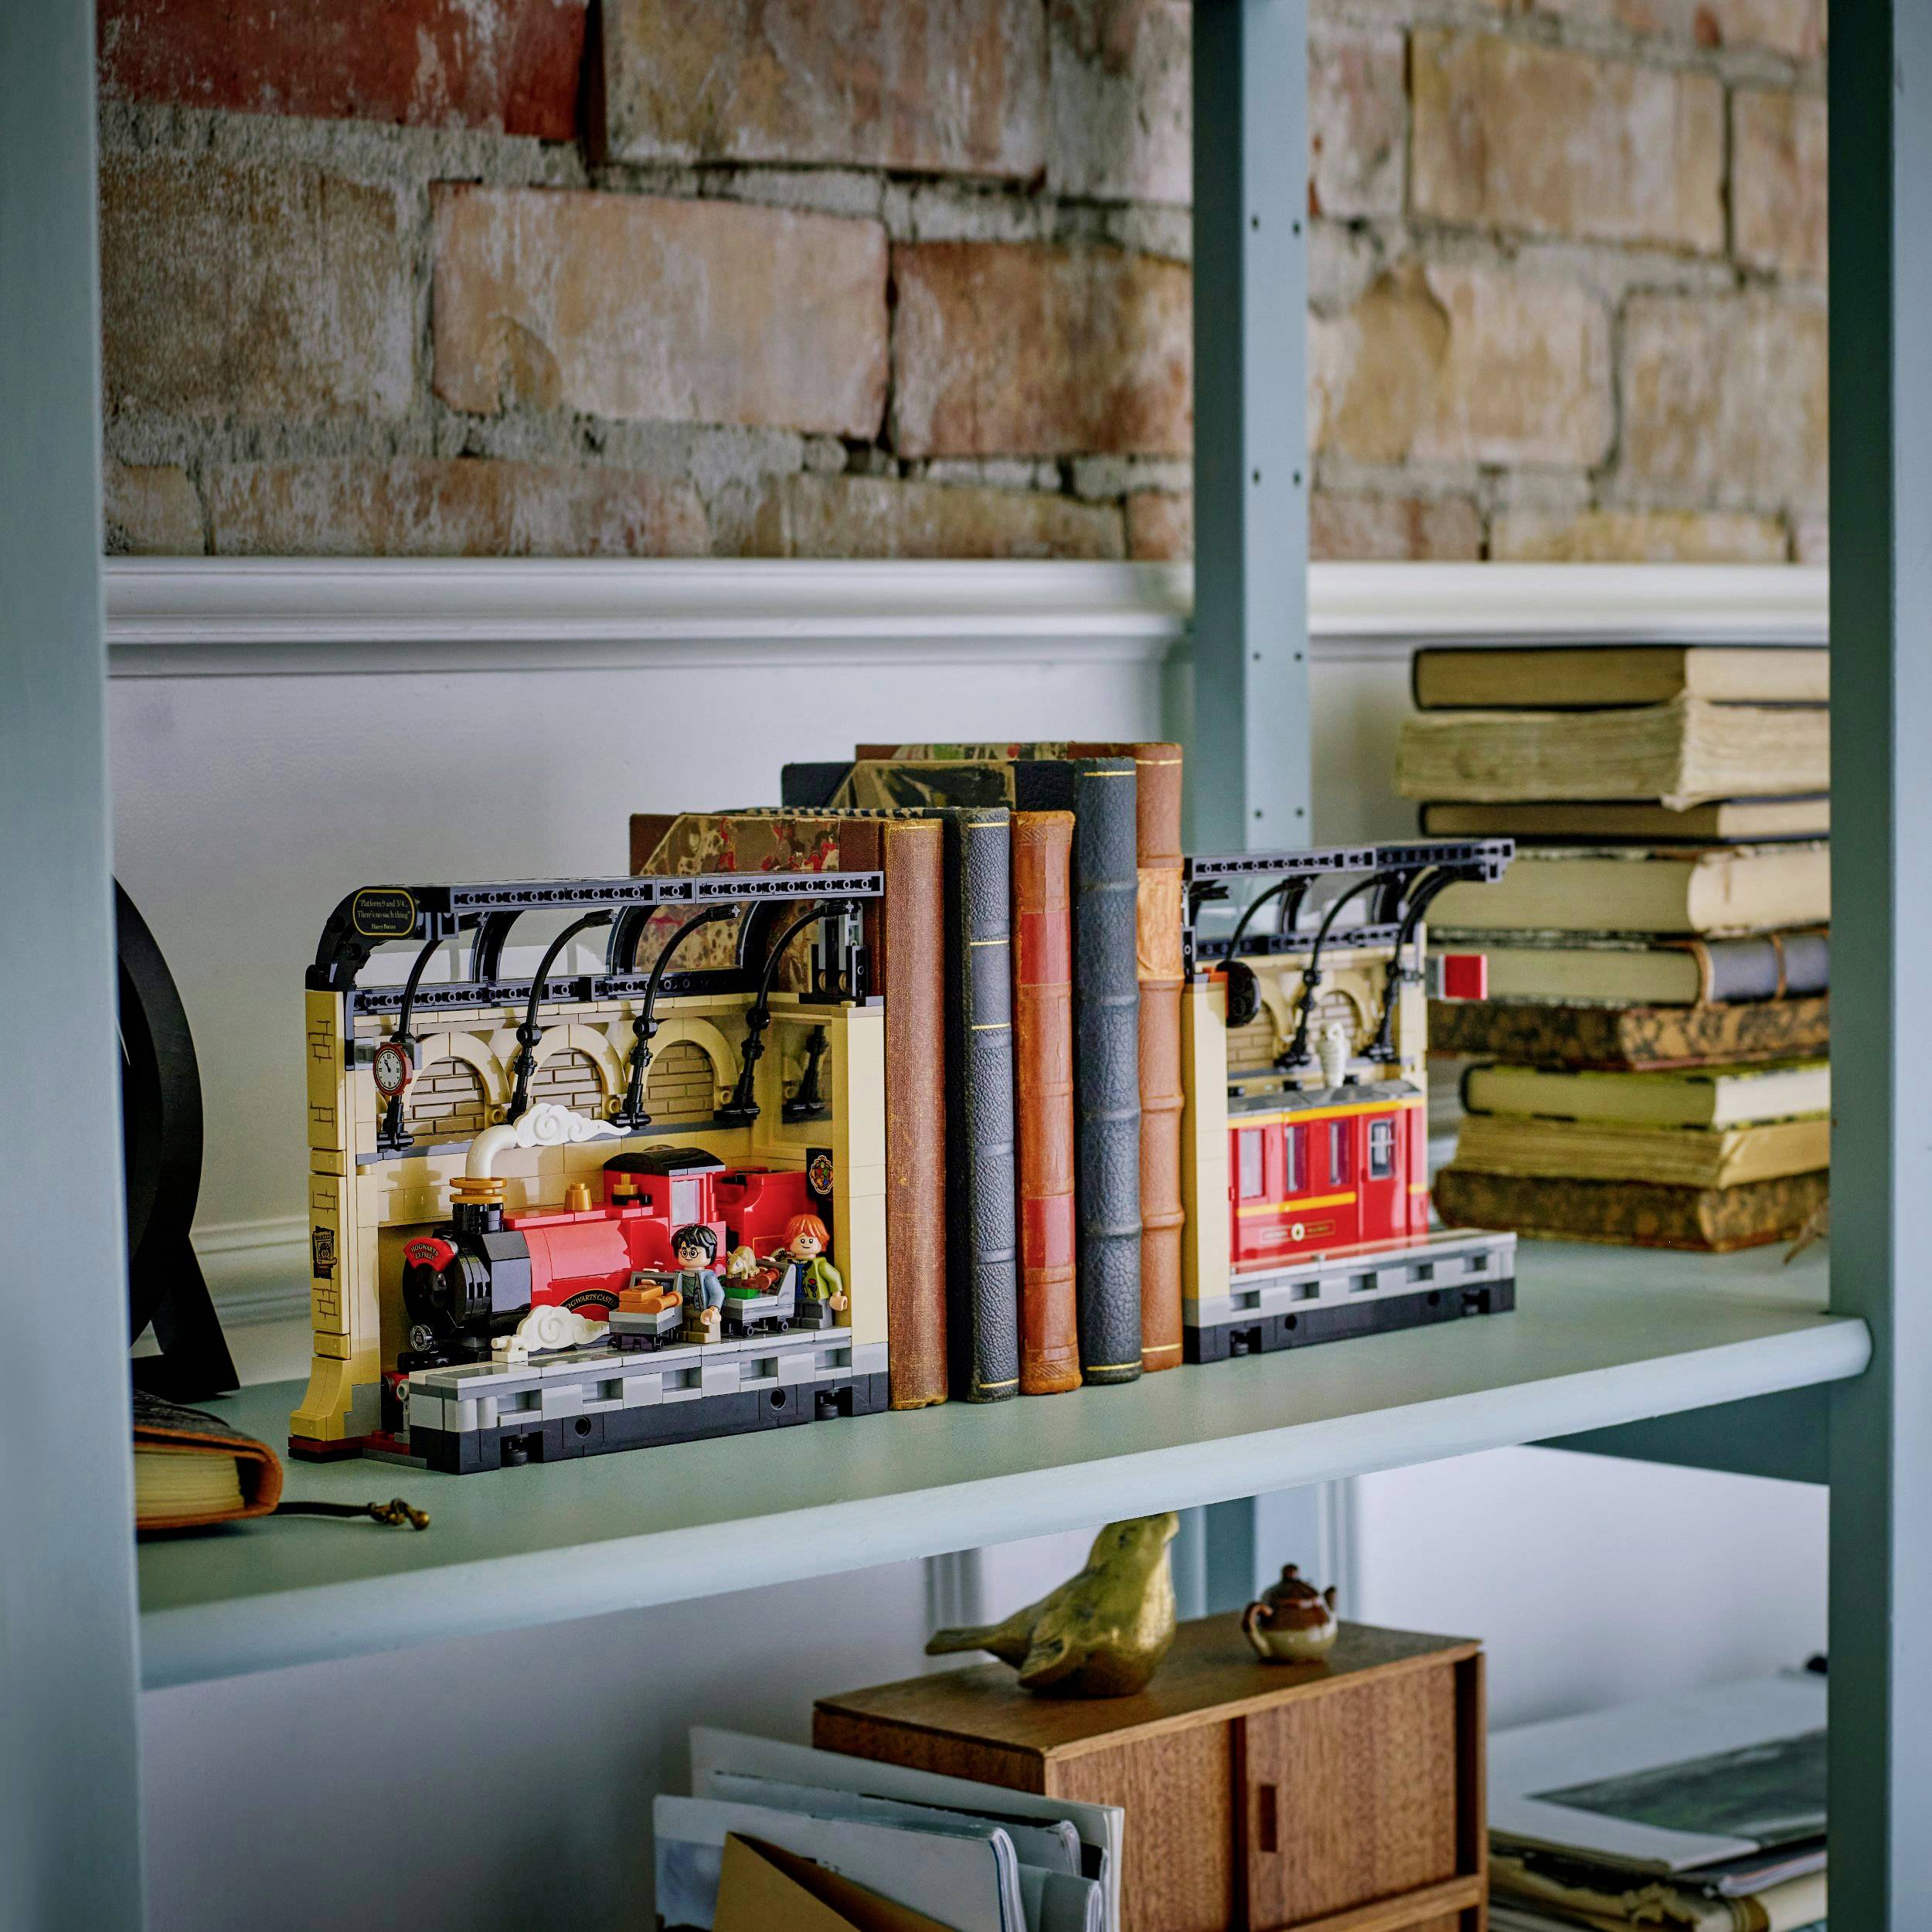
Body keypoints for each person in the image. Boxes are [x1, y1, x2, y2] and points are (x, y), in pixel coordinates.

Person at [777, 1213, 846, 1325]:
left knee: (815, 1316)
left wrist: (836, 1295)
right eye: (802, 1240)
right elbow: (779, 1271)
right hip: (792, 1299)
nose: (806, 1244)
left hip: (816, 1299)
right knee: (793, 1316)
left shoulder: (821, 1265)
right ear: (790, 1240)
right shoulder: (788, 1262)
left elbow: (834, 1277)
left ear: (821, 1241)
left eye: (811, 1240)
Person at [665, 1223, 724, 1341]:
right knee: (684, 1327)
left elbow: (718, 1293)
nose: (688, 1256)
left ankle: (702, 1335)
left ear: (710, 1253)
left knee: (701, 1327)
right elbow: (668, 1286)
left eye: (693, 1252)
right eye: (684, 1252)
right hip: (682, 1311)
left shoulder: (708, 1277)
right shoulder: (678, 1274)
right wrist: (654, 1282)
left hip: (701, 1311)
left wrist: (714, 1309)